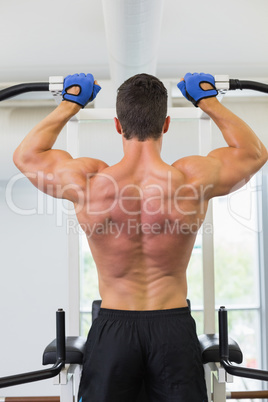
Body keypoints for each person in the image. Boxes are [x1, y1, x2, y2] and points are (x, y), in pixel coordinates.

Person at [13, 72, 267, 402]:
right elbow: (254, 153)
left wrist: (71, 102)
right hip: (173, 327)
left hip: (113, 329)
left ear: (118, 125)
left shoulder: (89, 182)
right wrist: (207, 99)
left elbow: (26, 156)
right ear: (167, 124)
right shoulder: (192, 179)